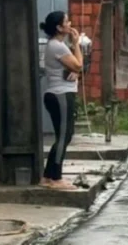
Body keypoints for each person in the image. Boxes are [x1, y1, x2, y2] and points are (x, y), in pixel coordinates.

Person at [39, 11, 83, 190]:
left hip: (59, 93)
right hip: (61, 95)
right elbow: (78, 65)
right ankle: (55, 178)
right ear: (59, 27)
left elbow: (73, 67)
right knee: (64, 136)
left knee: (64, 136)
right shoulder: (58, 46)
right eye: (67, 21)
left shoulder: (57, 45)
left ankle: (49, 175)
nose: (70, 23)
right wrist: (76, 44)